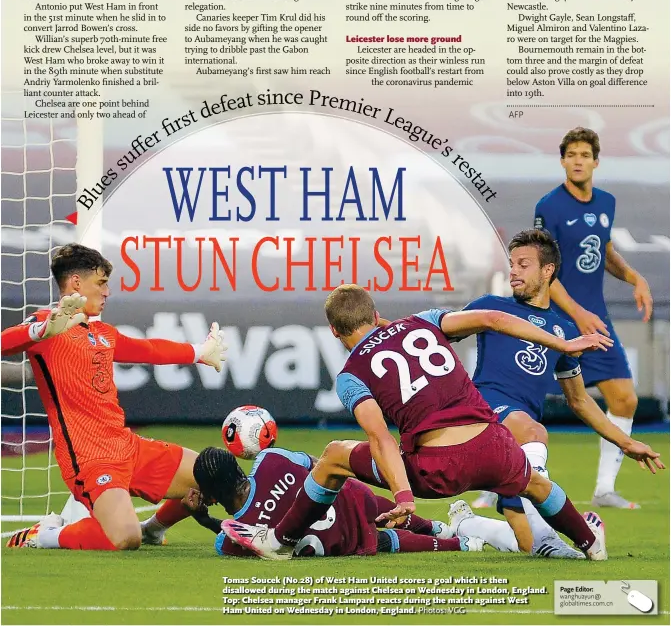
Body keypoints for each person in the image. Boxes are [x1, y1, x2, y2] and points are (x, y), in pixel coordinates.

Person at [221, 285, 613, 561]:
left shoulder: (351, 374)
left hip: (438, 468)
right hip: (494, 446)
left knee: (334, 456)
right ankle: (589, 543)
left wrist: (405, 497)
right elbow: (493, 318)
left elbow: (381, 438)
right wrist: (562, 344)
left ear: (335, 332)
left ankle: (280, 540)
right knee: (538, 484)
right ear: (376, 314)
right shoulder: (423, 321)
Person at [3, 243, 227, 550]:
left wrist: (200, 352)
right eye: (102, 283)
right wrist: (41, 331)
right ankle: (44, 535)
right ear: (77, 283)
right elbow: (5, 343)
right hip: (90, 459)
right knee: (124, 538)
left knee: (213, 475)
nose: (107, 292)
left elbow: (147, 350)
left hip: (127, 446)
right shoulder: (47, 323)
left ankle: (154, 528)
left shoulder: (102, 332)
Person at [461, 229, 663, 553]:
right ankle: (571, 538)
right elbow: (436, 329)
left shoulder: (565, 331)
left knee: (524, 542)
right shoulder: (489, 308)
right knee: (533, 432)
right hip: (486, 413)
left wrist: (626, 442)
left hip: (517, 446)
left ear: (547, 271)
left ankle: (469, 526)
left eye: (523, 264)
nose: (512, 270)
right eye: (511, 263)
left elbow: (580, 400)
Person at [534, 127, 654, 509]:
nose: (578, 161)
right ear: (563, 161)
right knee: (523, 401)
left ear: (595, 161)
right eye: (572, 155)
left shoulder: (606, 202)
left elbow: (603, 251)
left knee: (623, 398)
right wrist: (577, 312)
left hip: (594, 319)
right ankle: (496, 485)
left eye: (585, 155)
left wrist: (636, 277)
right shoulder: (549, 207)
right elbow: (543, 274)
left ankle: (603, 489)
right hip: (554, 317)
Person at [153, 445, 489, 557]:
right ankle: (442, 528)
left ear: (210, 496)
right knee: (379, 505)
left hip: (339, 540)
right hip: (351, 499)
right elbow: (318, 463)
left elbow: (236, 538)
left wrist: (202, 518)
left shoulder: (230, 537)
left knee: (387, 540)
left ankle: (461, 545)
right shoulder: (269, 459)